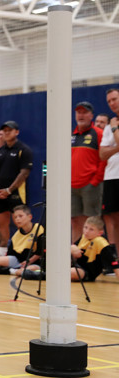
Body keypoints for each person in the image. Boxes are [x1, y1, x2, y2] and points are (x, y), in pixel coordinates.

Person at [0, 121, 33, 257]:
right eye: (5, 130)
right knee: (2, 225)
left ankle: (23, 253)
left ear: (17, 132)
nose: (7, 133)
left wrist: (9, 190)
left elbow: (24, 173)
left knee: (21, 223)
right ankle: (3, 253)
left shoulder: (23, 150)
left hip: (16, 193)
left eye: (10, 130)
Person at [71, 101, 105, 243]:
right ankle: (75, 255)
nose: (81, 115)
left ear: (91, 115)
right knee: (75, 221)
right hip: (72, 186)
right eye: (79, 112)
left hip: (90, 185)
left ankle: (92, 256)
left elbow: (104, 159)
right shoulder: (72, 135)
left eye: (85, 112)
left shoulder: (98, 133)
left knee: (92, 223)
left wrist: (95, 180)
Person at [0, 205, 44, 276]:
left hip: (34, 262)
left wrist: (28, 262)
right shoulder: (16, 235)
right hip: (19, 261)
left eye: (20, 216)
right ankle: (15, 270)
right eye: (15, 217)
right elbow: (10, 254)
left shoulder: (39, 229)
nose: (17, 219)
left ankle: (12, 271)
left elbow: (40, 252)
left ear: (30, 217)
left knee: (24, 271)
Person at [99, 88, 119, 254]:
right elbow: (102, 154)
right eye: (109, 101)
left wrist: (114, 129)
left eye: (115, 99)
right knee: (111, 217)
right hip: (111, 175)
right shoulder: (109, 125)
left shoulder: (111, 126)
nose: (112, 103)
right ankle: (115, 257)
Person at [71, 216, 119, 281]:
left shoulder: (101, 243)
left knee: (72, 272)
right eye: (85, 227)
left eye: (91, 229)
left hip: (86, 272)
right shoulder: (83, 237)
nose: (87, 231)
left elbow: (114, 263)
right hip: (75, 266)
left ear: (100, 233)